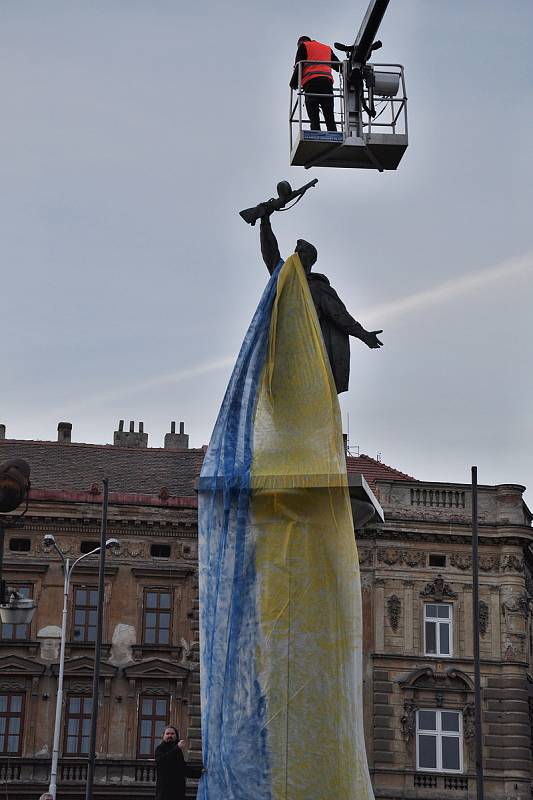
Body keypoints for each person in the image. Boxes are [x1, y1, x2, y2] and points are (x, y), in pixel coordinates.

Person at [260, 212, 383, 394]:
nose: (296, 256)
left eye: (300, 254)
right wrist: (265, 222)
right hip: (284, 352)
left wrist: (364, 335)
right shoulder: (285, 280)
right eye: (296, 253)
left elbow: (341, 316)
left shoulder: (317, 288)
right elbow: (271, 254)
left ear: (309, 259)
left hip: (308, 356)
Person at [290, 36, 341, 131]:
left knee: (314, 117)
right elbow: (339, 66)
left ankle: (316, 132)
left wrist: (293, 83)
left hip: (311, 83)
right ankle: (333, 132)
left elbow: (299, 66)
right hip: (326, 84)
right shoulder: (326, 48)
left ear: (300, 42)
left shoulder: (303, 46)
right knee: (329, 114)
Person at [154, 726, 202, 800]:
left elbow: (183, 768)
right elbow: (161, 762)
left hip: (178, 792)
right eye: (167, 733)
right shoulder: (160, 748)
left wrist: (200, 773)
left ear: (176, 736)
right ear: (163, 736)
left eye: (172, 734)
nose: (170, 735)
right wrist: (177, 748)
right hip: (165, 793)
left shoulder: (177, 750)